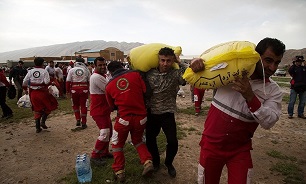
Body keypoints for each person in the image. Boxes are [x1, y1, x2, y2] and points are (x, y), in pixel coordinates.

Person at [190, 38, 286, 184]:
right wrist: (196, 63)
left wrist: (250, 97)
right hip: (211, 145)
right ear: (256, 56)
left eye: (277, 62)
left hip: (240, 150)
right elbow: (205, 68)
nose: (272, 68)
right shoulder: (229, 71)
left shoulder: (274, 91)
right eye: (268, 60)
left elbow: (269, 121)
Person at [105, 61, 154, 182]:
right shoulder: (136, 75)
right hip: (141, 117)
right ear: (122, 67)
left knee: (117, 144)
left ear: (110, 72)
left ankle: (119, 171)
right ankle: (147, 162)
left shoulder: (109, 86)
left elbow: (111, 106)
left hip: (123, 119)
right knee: (138, 140)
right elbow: (147, 92)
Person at [145, 47, 188, 178]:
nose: (165, 64)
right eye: (162, 60)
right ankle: (156, 162)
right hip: (152, 113)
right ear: (158, 60)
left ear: (172, 61)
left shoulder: (175, 74)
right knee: (150, 140)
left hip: (168, 113)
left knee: (173, 141)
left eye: (168, 61)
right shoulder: (149, 74)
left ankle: (169, 163)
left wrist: (179, 61)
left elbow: (188, 75)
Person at [22, 57, 58, 133]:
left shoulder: (30, 71)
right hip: (42, 93)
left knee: (37, 109)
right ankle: (43, 121)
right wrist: (51, 83)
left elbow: (25, 82)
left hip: (33, 93)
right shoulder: (44, 71)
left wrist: (25, 89)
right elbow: (46, 82)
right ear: (42, 63)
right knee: (49, 106)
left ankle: (37, 127)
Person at [89, 57, 113, 166]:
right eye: (100, 65)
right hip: (99, 110)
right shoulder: (96, 77)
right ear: (95, 66)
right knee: (105, 133)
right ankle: (95, 156)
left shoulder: (103, 75)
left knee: (109, 132)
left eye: (104, 64)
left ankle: (104, 152)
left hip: (104, 109)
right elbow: (110, 89)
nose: (103, 67)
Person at [66, 57, 91, 129]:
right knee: (84, 106)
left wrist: (67, 91)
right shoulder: (86, 70)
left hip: (74, 90)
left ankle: (77, 119)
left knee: (75, 105)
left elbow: (68, 81)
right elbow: (89, 81)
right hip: (84, 90)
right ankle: (84, 122)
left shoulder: (71, 70)